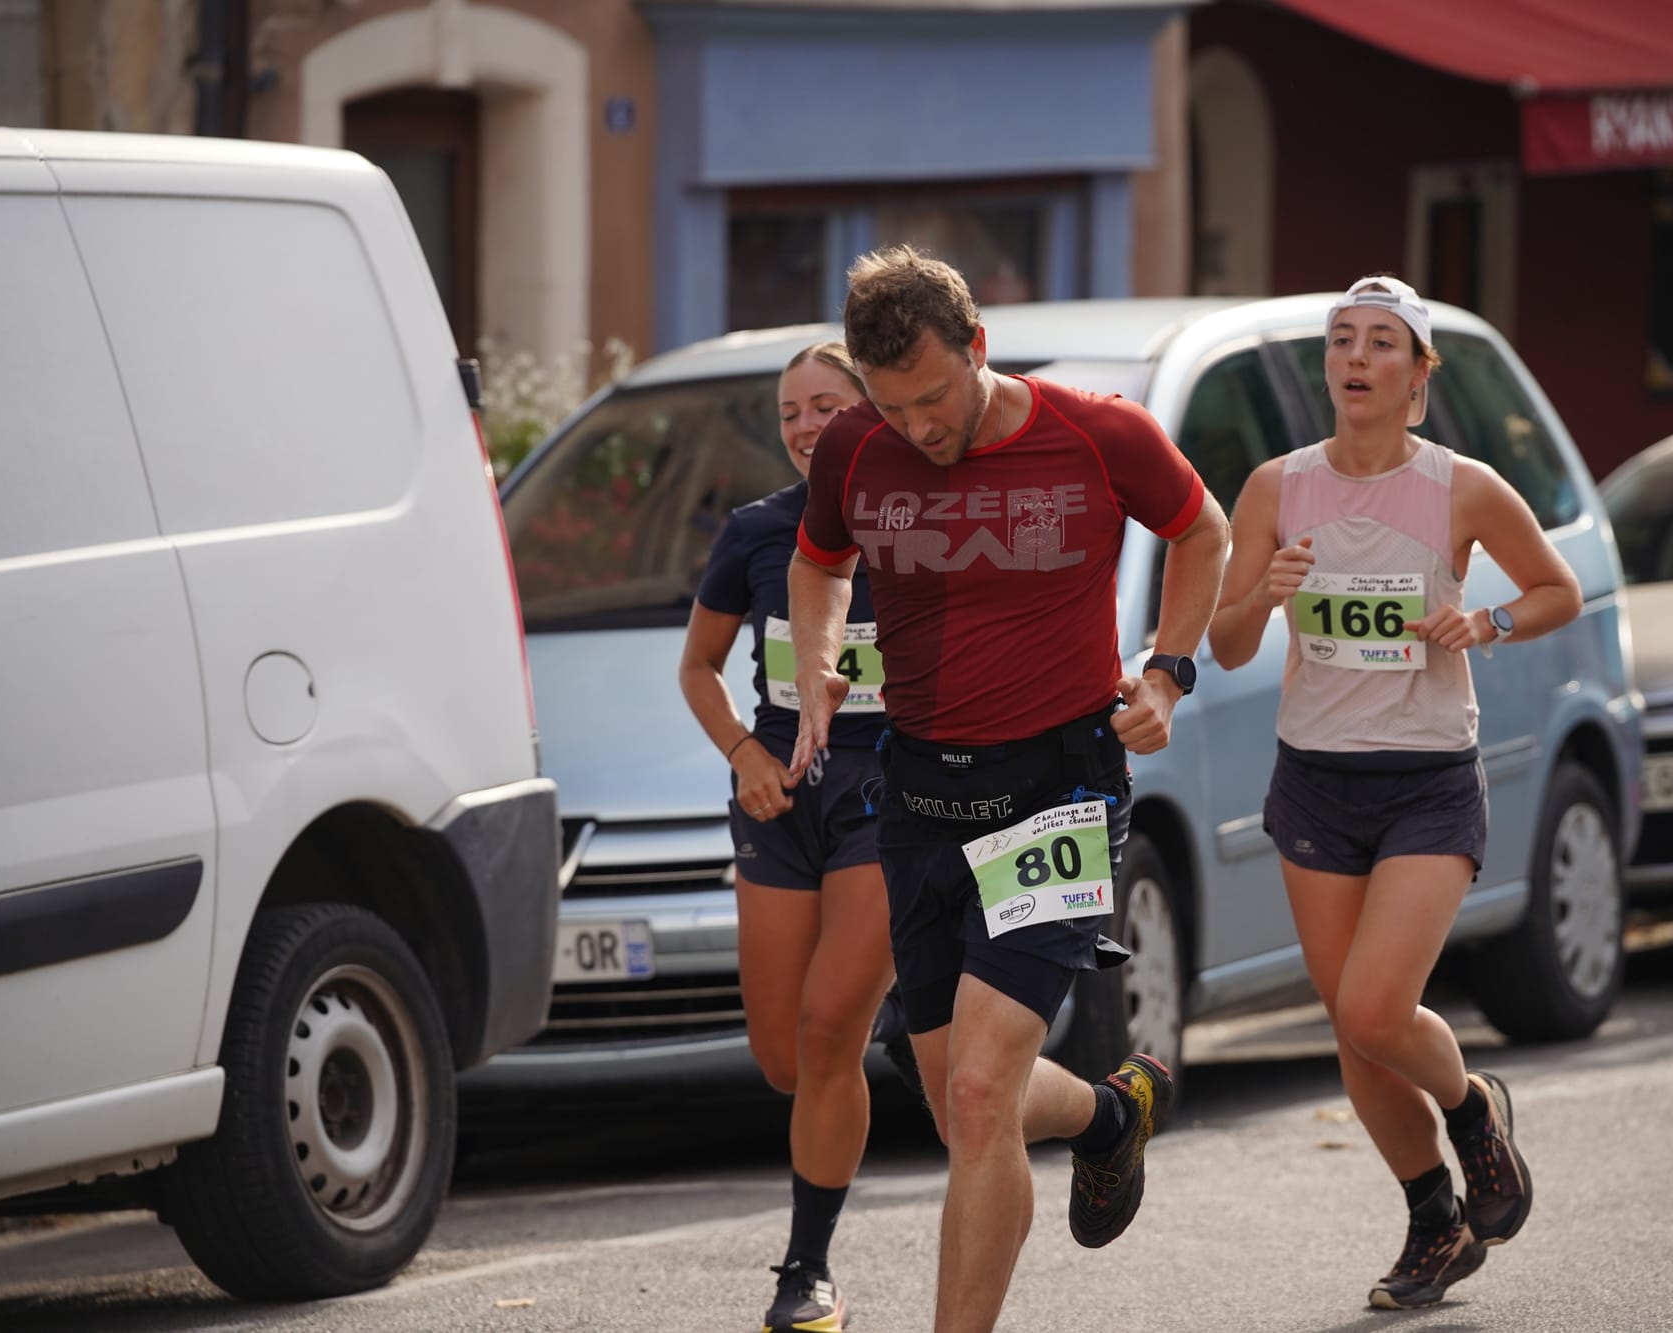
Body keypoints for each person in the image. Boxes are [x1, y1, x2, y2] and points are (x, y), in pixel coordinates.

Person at [788, 245, 1229, 1333]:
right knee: (957, 1103)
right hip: (919, 798)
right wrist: (813, 662)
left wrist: (1169, 671)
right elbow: (817, 562)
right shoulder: (855, 446)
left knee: (981, 1095)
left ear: (979, 347)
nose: (918, 428)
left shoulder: (1095, 433)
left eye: (934, 397)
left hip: (1056, 790)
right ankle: (1105, 1115)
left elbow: (1201, 529)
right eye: (892, 406)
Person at [1207, 275, 1582, 1311]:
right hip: (1314, 780)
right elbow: (1227, 640)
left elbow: (1554, 588)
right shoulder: (1274, 487)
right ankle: (1432, 1222)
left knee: (1376, 1005)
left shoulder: (1460, 487)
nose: (1355, 357)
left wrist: (1486, 623)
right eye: (1340, 341)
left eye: (1380, 342)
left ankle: (1471, 1114)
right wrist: (1261, 593)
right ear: (1326, 366)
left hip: (1423, 779)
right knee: (1355, 1029)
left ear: (1417, 375)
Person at [677, 341, 896, 1332]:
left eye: (825, 405)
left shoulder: (916, 525)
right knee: (784, 1057)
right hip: (779, 795)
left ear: (872, 409)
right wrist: (741, 753)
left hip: (890, 795)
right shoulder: (755, 532)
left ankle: (807, 1269)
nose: (807, 426)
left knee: (825, 1028)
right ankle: (910, 1013)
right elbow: (698, 666)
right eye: (789, 412)